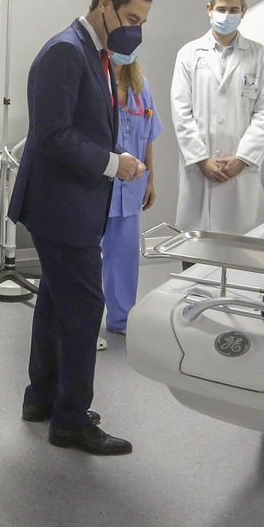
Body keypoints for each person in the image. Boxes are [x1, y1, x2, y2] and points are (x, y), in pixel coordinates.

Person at [10, 0, 154, 456]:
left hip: (68, 202)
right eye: (131, 17)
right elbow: (51, 137)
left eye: (142, 21)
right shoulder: (65, 52)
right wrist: (115, 164)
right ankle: (70, 419)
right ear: (105, 4)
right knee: (85, 306)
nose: (136, 28)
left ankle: (42, 399)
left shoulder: (93, 53)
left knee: (55, 300)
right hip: (59, 206)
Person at [170, 0, 264, 235]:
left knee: (233, 243)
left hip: (238, 166)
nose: (227, 15)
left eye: (233, 10)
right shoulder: (189, 53)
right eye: (221, 9)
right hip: (198, 165)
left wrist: (243, 158)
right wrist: (200, 159)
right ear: (209, 9)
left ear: (244, 11)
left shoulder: (258, 55)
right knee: (194, 240)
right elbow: (180, 110)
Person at [101, 52, 162, 334]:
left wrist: (149, 179)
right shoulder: (96, 83)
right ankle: (84, 323)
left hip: (132, 186)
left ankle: (121, 319)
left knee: (124, 256)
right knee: (89, 259)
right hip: (98, 185)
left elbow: (147, 136)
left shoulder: (140, 86)